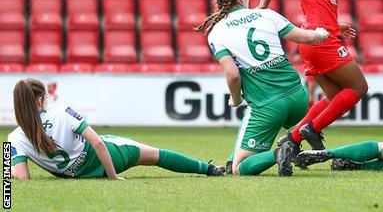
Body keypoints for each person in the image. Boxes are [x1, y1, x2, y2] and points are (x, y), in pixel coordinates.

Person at [194, 0, 330, 176]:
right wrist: (323, 33)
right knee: (241, 150)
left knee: (240, 168)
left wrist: (236, 98)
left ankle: (281, 151)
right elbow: (308, 38)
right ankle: (243, 156)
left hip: (269, 106)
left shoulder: (217, 31)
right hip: (298, 98)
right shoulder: (267, 15)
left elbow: (232, 75)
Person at [258, 0, 368, 157]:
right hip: (321, 42)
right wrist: (261, 10)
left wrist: (337, 28)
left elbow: (315, 10)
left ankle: (293, 138)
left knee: (333, 96)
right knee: (359, 88)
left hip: (315, 39)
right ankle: (312, 128)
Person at [9, 78, 224, 179]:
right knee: (158, 155)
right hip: (104, 158)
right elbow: (98, 143)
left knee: (110, 137)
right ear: (39, 100)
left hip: (75, 174)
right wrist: (113, 177)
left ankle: (209, 169)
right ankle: (208, 169)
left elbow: (20, 177)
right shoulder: (62, 111)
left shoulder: (13, 138)